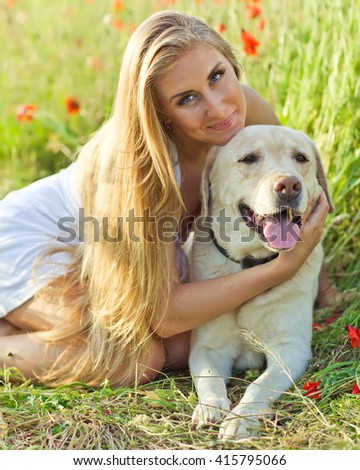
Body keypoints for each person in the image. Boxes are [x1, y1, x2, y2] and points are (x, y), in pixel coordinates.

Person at [0, 10, 334, 387]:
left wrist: (321, 287)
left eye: (217, 76)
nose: (219, 107)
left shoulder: (249, 113)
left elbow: (290, 199)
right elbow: (163, 313)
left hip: (118, 255)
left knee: (182, 344)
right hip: (29, 243)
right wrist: (279, 270)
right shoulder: (136, 168)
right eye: (187, 98)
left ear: (231, 62)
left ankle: (19, 320)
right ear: (161, 113)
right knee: (140, 358)